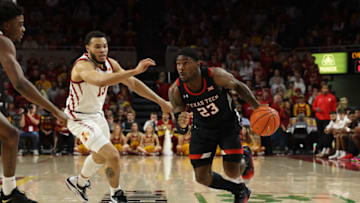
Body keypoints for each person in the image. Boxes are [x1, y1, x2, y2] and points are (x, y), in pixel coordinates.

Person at [64, 31, 172, 203]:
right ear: (88, 48)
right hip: (79, 119)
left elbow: (134, 84)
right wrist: (134, 70)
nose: (102, 50)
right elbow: (100, 80)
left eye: (105, 46)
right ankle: (116, 195)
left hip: (97, 117)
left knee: (101, 156)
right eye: (97, 47)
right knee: (113, 155)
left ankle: (79, 182)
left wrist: (161, 101)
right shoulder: (82, 66)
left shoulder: (111, 64)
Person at [168, 47, 261, 203]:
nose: (181, 68)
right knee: (201, 177)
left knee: (232, 171)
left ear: (198, 64)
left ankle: (244, 155)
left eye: (186, 63)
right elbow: (180, 123)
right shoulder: (175, 90)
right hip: (202, 128)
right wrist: (181, 125)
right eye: (178, 64)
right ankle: (239, 190)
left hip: (227, 124)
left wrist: (257, 107)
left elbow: (238, 86)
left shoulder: (216, 75)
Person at [0, 1, 67, 202]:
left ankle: (9, 192)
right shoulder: (3, 42)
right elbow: (20, 83)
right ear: (5, 26)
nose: (23, 28)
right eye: (19, 24)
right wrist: (55, 110)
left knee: (11, 134)